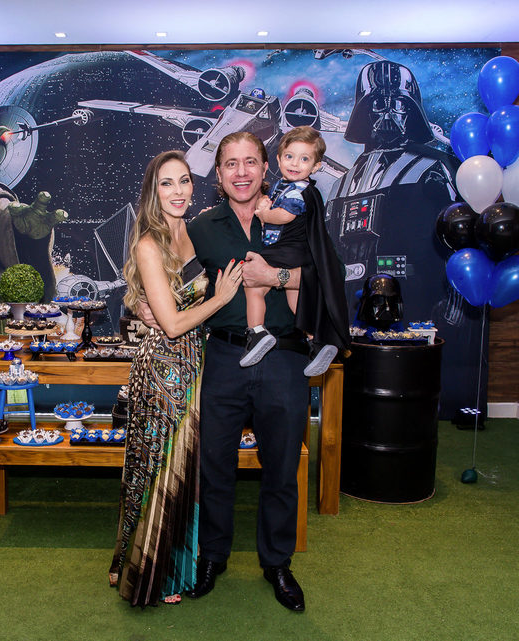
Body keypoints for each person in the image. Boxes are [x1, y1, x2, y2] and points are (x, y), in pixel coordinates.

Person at [140, 132, 312, 612]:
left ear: (265, 167)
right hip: (223, 359)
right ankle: (213, 558)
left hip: (284, 358)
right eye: (231, 163)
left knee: (282, 468)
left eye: (250, 162)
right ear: (217, 174)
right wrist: (143, 305)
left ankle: (277, 564)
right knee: (215, 467)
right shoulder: (201, 227)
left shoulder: (295, 215)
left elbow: (325, 275)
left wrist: (274, 277)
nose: (241, 172)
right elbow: (164, 272)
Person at [110, 150, 243, 607]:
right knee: (159, 470)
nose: (178, 190)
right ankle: (154, 573)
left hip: (198, 363)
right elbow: (170, 324)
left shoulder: (196, 230)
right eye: (167, 183)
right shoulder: (150, 243)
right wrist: (220, 298)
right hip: (163, 369)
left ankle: (176, 562)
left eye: (184, 180)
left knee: (187, 469)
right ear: (154, 191)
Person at [239, 126, 351, 376]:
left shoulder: (299, 191)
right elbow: (271, 200)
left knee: (253, 284)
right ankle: (316, 339)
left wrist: (264, 215)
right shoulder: (285, 186)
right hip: (297, 254)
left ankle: (257, 332)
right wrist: (264, 202)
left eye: (304, 159)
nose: (295, 164)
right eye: (289, 156)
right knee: (297, 300)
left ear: (316, 166)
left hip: (285, 250)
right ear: (278, 159)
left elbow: (284, 216)